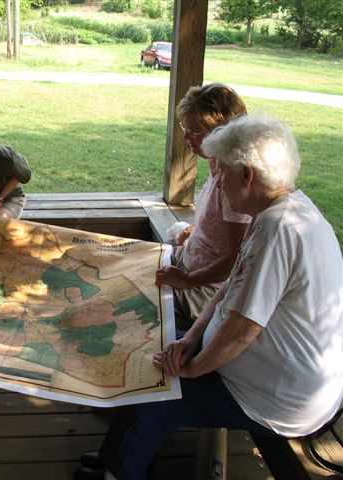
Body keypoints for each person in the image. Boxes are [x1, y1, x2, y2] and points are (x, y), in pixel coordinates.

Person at [74, 116, 343, 480]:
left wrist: (193, 369)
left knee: (155, 392)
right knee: (158, 359)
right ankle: (118, 458)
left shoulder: (275, 231)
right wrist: (190, 338)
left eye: (223, 174)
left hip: (280, 398)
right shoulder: (287, 209)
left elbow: (241, 331)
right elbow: (231, 288)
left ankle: (120, 473)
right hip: (284, 380)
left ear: (247, 175)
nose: (219, 184)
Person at [155, 83, 251, 331]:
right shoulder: (217, 164)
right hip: (191, 260)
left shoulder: (233, 183)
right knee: (133, 263)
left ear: (221, 133)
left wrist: (187, 280)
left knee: (134, 298)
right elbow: (225, 226)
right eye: (185, 128)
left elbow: (234, 259)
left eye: (194, 131)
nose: (186, 136)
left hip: (207, 287)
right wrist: (199, 230)